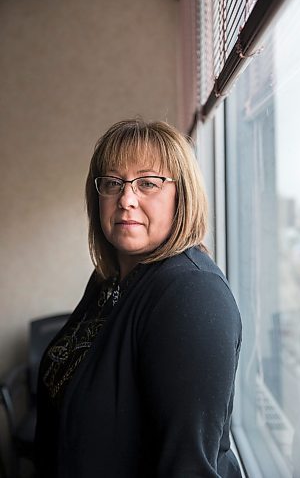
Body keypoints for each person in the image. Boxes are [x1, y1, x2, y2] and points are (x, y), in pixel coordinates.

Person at [34, 119, 242, 478]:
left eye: (148, 183)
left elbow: (187, 468)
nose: (126, 199)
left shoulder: (191, 295)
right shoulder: (108, 280)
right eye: (113, 183)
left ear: (182, 195)